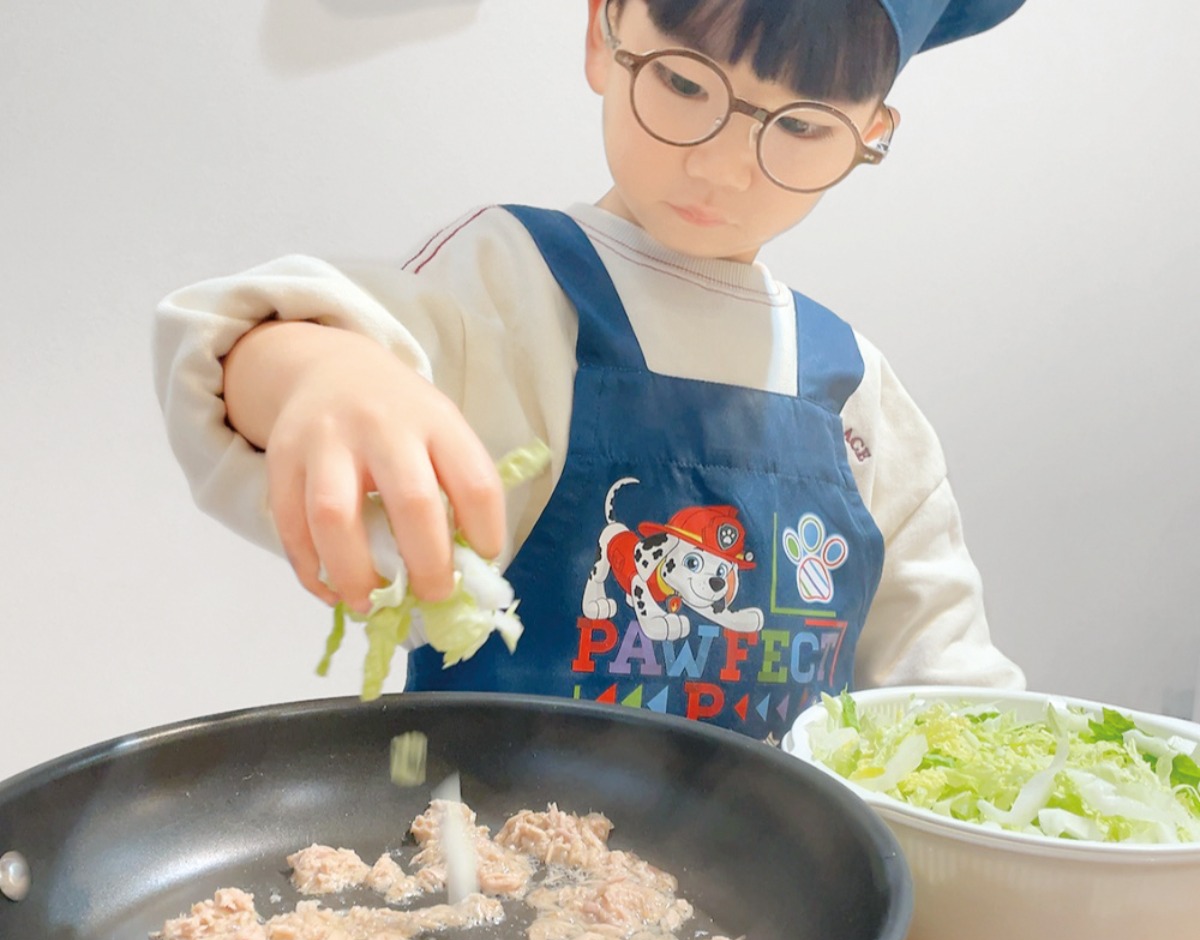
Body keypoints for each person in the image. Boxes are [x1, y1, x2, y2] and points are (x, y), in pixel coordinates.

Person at [155, 0, 1027, 741]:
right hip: (483, 878)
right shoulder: (509, 281)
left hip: (778, 915)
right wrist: (321, 373)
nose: (721, 165)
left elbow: (950, 694)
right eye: (685, 83)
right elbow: (251, 344)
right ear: (603, 33)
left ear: (869, 136)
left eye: (801, 126)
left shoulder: (858, 393)